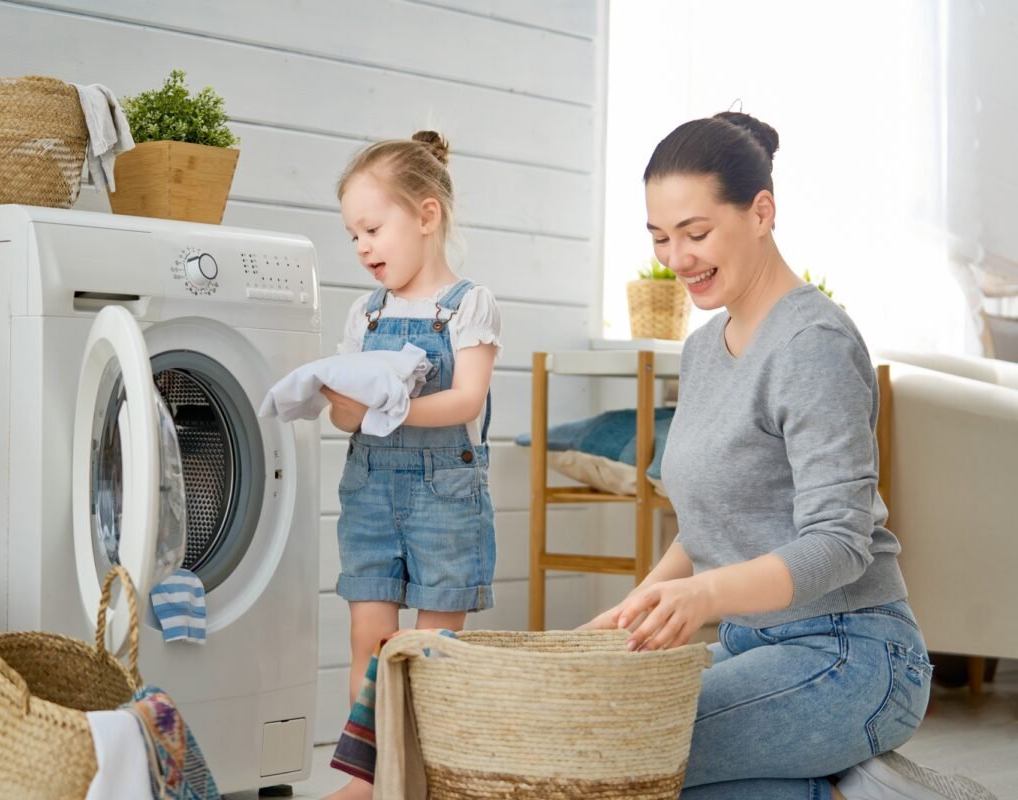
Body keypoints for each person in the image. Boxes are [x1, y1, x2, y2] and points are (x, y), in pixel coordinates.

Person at [580, 111, 997, 800]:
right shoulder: (703, 349)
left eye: (695, 232)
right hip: (754, 647)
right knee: (597, 740)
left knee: (624, 755)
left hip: (848, 652)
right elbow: (716, 519)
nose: (676, 258)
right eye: (659, 237)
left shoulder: (812, 345)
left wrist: (703, 594)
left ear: (760, 212)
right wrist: (643, 605)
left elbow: (839, 542)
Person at [322, 131, 501, 800]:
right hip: (370, 491)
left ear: (426, 216)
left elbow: (465, 399)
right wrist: (340, 403)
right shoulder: (363, 314)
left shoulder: (467, 305)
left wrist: (385, 406)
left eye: (372, 228)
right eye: (353, 236)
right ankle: (367, 777)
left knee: (432, 655)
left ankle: (423, 776)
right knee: (368, 639)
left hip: (441, 496)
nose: (363, 246)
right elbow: (344, 414)